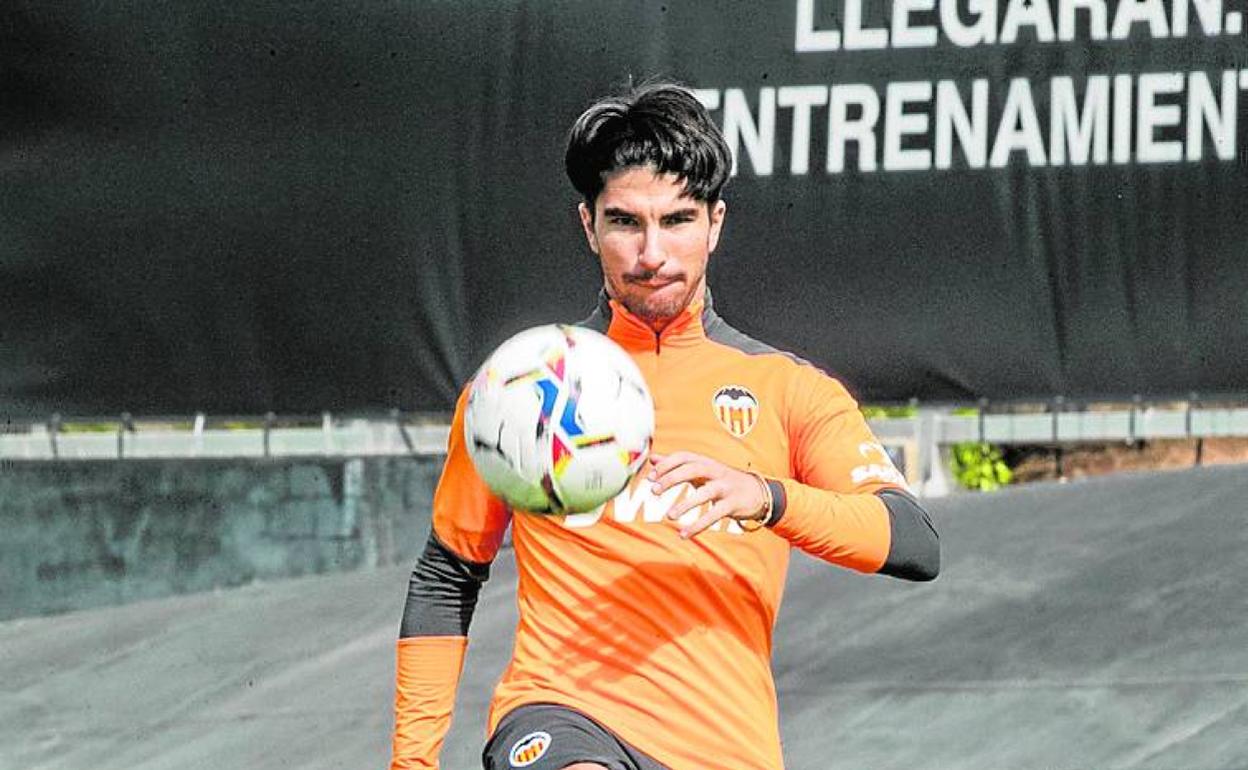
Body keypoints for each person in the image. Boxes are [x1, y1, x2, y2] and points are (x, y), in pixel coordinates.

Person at [390, 82, 940, 770]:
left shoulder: (788, 388)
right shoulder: (520, 387)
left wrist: (767, 497)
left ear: (715, 224)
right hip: (561, 714)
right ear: (588, 225)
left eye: (677, 220)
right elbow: (446, 573)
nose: (653, 252)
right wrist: (409, 764)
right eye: (625, 222)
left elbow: (914, 542)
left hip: (726, 746)